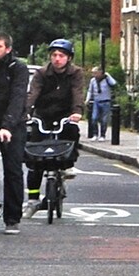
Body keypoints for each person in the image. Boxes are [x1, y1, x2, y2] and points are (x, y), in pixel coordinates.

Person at [24, 41, 85, 206]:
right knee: (34, 155)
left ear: (69, 58)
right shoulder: (41, 74)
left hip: (66, 115)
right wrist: (27, 112)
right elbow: (33, 93)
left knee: (72, 132)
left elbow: (77, 92)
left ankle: (68, 165)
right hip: (43, 115)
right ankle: (32, 199)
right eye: (54, 55)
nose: (57, 59)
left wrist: (77, 111)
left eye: (61, 55)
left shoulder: (76, 73)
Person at [0, 36, 30, 232]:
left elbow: (18, 98)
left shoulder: (17, 68)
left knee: (13, 170)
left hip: (13, 123)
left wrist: (7, 126)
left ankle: (12, 218)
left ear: (8, 49)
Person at [85, 64, 116, 139]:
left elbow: (113, 83)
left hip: (106, 101)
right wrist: (87, 99)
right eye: (93, 73)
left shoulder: (106, 79)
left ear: (100, 72)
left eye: (95, 73)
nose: (94, 75)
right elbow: (90, 90)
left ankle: (102, 135)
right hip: (96, 101)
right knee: (94, 118)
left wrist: (107, 75)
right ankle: (95, 134)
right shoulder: (93, 81)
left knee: (104, 120)